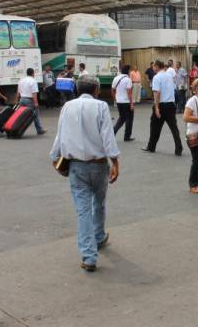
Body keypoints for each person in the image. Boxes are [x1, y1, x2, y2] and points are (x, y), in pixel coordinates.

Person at [50, 75, 120, 272]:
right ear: (96, 90)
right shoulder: (101, 106)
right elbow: (108, 136)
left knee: (83, 211)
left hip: (76, 167)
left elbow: (61, 133)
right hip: (98, 165)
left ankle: (89, 256)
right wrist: (115, 161)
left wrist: (55, 156)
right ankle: (98, 236)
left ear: (78, 90)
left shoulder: (67, 107)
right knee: (99, 202)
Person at [142, 60, 183, 156]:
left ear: (156, 66)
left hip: (161, 105)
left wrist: (156, 108)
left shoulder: (156, 77)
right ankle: (179, 148)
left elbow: (157, 92)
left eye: (154, 66)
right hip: (170, 104)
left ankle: (151, 147)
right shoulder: (169, 76)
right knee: (174, 128)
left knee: (155, 127)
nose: (153, 68)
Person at [14, 68, 47, 135]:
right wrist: (36, 103)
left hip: (22, 99)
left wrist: (17, 101)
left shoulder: (21, 80)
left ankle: (17, 128)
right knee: (35, 114)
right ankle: (39, 130)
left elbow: (18, 92)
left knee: (21, 116)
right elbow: (34, 93)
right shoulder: (33, 81)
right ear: (32, 73)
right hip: (29, 100)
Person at [111, 65, 134, 142]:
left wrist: (115, 99)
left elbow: (113, 90)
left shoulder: (116, 78)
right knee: (129, 119)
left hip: (119, 102)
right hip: (126, 102)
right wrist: (131, 104)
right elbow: (129, 93)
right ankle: (127, 136)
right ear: (128, 71)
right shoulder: (128, 80)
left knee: (122, 118)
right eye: (130, 70)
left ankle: (113, 132)